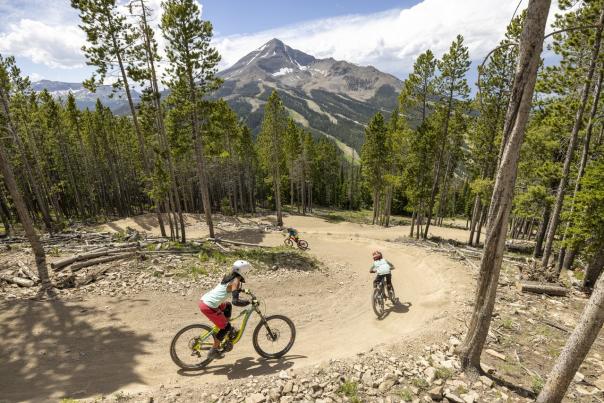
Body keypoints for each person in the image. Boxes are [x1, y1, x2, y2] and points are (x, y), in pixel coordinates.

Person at [198, 260, 252, 360]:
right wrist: (248, 302)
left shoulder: (228, 277)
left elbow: (229, 289)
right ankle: (213, 351)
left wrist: (242, 290)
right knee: (225, 327)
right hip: (209, 306)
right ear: (244, 272)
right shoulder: (235, 281)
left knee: (227, 306)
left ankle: (226, 329)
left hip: (204, 301)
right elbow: (235, 301)